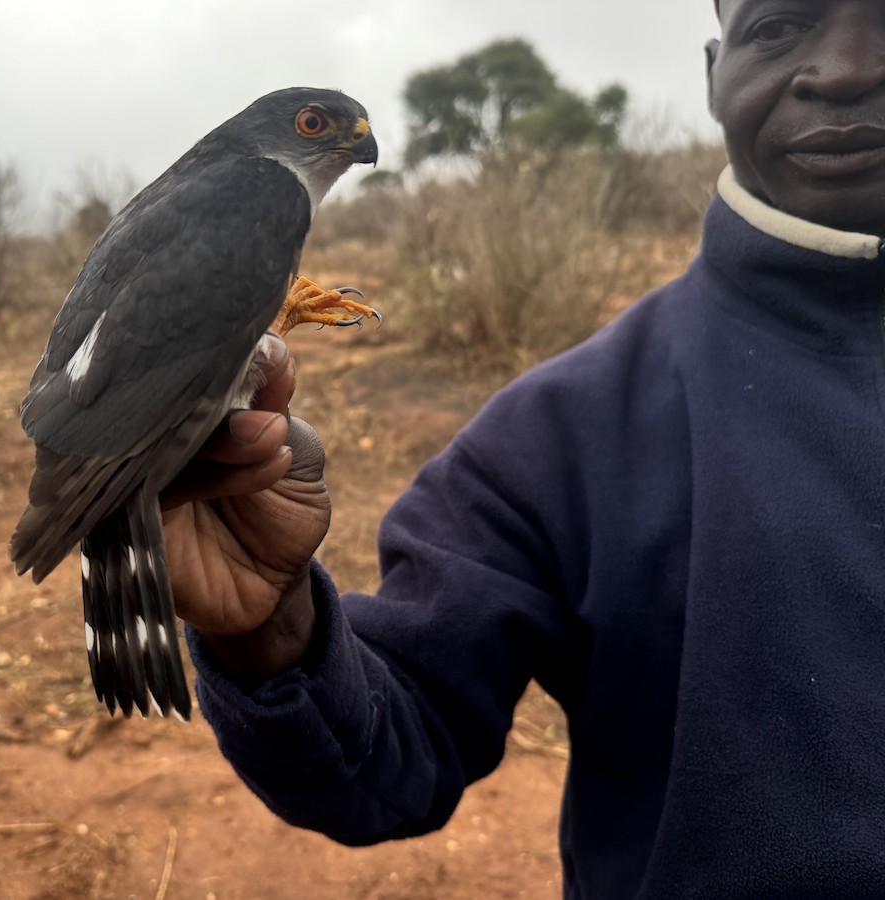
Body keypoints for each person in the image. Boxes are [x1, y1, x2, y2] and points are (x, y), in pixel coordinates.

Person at [160, 0, 885, 895]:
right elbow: (390, 758)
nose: (848, 67)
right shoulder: (561, 434)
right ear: (714, 73)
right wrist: (271, 629)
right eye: (781, 24)